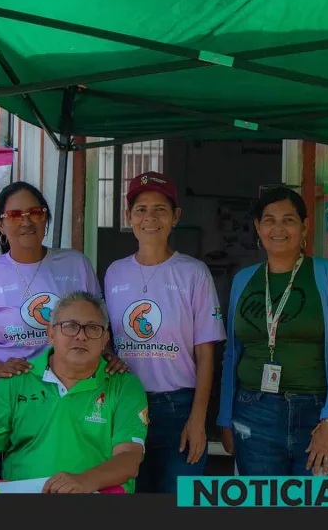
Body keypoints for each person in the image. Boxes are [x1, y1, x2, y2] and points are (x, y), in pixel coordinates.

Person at [218, 187, 328, 476]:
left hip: (318, 411)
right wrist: (225, 417)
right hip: (253, 411)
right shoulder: (244, 280)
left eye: (289, 220)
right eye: (269, 220)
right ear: (258, 227)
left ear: (304, 226)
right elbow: (232, 353)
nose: (278, 228)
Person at [103, 172, 226, 493]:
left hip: (179, 408)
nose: (150, 218)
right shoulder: (115, 272)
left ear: (175, 217)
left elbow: (206, 354)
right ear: (128, 217)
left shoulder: (193, 273)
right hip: (124, 404)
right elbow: (105, 341)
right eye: (141, 209)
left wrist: (198, 419)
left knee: (178, 501)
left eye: (160, 209)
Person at [0, 291, 149, 493]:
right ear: (51, 334)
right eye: (70, 326)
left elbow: (129, 458)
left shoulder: (125, 386)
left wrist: (84, 481)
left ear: (104, 338)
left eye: (92, 328)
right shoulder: (15, 381)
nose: (81, 335)